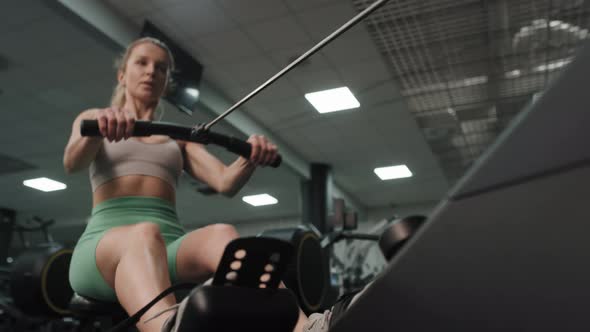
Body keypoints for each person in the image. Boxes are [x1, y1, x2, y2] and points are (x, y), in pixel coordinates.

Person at [63, 37, 308, 332]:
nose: (151, 71)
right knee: (144, 233)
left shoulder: (176, 140)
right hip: (104, 249)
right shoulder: (94, 118)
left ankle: (303, 326)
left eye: (161, 68)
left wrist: (250, 158)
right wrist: (97, 131)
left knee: (223, 234)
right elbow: (72, 162)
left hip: (168, 249)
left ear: (166, 82)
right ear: (122, 74)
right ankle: (168, 327)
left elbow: (224, 182)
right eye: (142, 62)